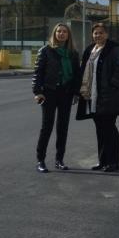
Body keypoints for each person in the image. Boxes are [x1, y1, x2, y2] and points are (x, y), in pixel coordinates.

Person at [76, 22, 119, 172]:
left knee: (109, 129)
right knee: (100, 129)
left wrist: (112, 86)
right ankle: (102, 160)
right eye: (95, 33)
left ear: (106, 34)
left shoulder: (113, 48)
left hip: (109, 97)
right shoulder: (90, 50)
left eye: (101, 33)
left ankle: (113, 162)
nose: (98, 35)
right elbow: (83, 70)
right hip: (92, 96)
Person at [32, 23, 81, 173]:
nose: (61, 34)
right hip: (49, 92)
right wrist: (37, 91)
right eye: (59, 31)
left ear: (68, 35)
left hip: (66, 93)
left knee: (62, 127)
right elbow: (38, 73)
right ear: (54, 33)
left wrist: (76, 93)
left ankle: (59, 159)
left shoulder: (73, 53)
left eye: (64, 32)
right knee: (46, 127)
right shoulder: (46, 51)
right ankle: (41, 160)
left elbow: (77, 75)